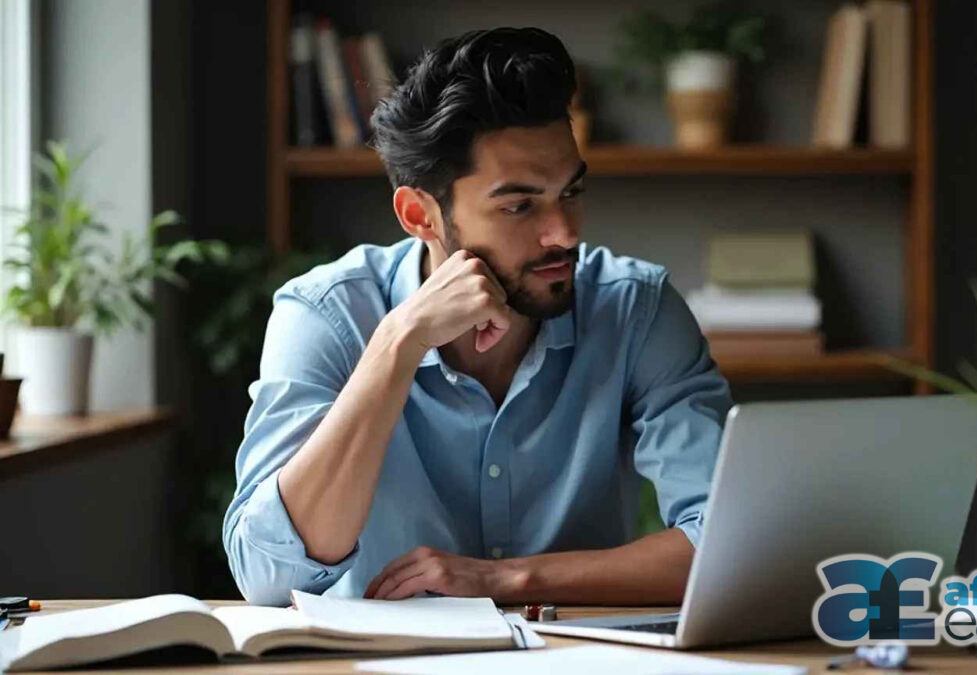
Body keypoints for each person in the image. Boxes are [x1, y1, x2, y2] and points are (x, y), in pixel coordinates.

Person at [223, 27, 731, 607]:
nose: (564, 234)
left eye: (571, 192)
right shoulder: (327, 313)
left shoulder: (635, 309)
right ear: (420, 215)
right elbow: (267, 576)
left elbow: (725, 542)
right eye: (519, 206)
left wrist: (505, 579)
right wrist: (399, 342)